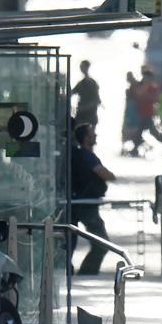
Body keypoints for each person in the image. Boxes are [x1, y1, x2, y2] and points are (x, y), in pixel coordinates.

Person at [69, 123, 116, 275]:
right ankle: (87, 272)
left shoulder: (81, 155)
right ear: (86, 137)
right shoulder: (86, 155)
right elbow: (103, 173)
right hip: (85, 205)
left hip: (83, 203)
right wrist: (110, 175)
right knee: (101, 243)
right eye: (92, 133)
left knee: (78, 239)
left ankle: (85, 271)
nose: (95, 136)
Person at [71, 60, 101, 129]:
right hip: (83, 116)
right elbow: (72, 93)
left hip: (88, 116)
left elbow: (96, 101)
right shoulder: (82, 83)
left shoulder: (90, 83)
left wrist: (83, 108)